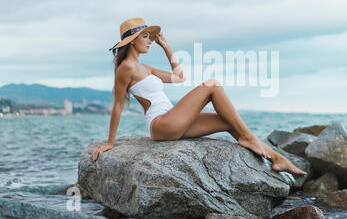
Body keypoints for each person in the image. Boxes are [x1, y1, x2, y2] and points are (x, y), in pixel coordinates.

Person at [92, 18, 306, 176]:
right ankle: (251, 140)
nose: (149, 41)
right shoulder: (126, 68)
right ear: (131, 41)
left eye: (150, 37)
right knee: (211, 85)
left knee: (227, 121)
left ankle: (277, 158)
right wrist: (110, 142)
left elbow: (179, 77)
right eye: (145, 36)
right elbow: (118, 105)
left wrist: (167, 48)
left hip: (173, 120)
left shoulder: (144, 67)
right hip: (161, 124)